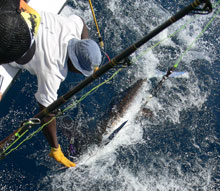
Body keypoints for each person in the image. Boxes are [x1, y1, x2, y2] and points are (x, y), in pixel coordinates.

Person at [1, 0, 102, 167]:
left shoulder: (72, 27)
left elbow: (82, 23)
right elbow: (47, 114)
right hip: (8, 44)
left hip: (15, 13)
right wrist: (55, 148)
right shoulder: (54, 71)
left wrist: (88, 51)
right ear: (75, 65)